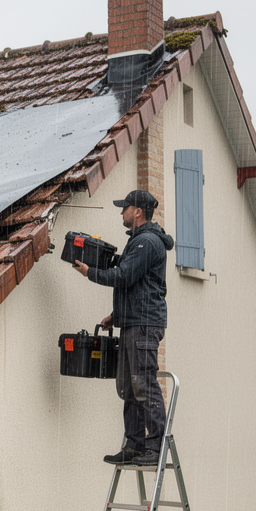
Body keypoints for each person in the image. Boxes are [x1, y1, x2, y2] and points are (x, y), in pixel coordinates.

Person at [71, 189, 174, 466]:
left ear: (137, 211)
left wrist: (90, 273)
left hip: (144, 324)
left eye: (124, 208)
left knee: (143, 384)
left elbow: (124, 277)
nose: (121, 212)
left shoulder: (147, 242)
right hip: (133, 323)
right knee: (129, 387)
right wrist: (116, 316)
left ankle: (155, 448)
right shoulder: (139, 241)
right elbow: (138, 286)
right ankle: (134, 446)